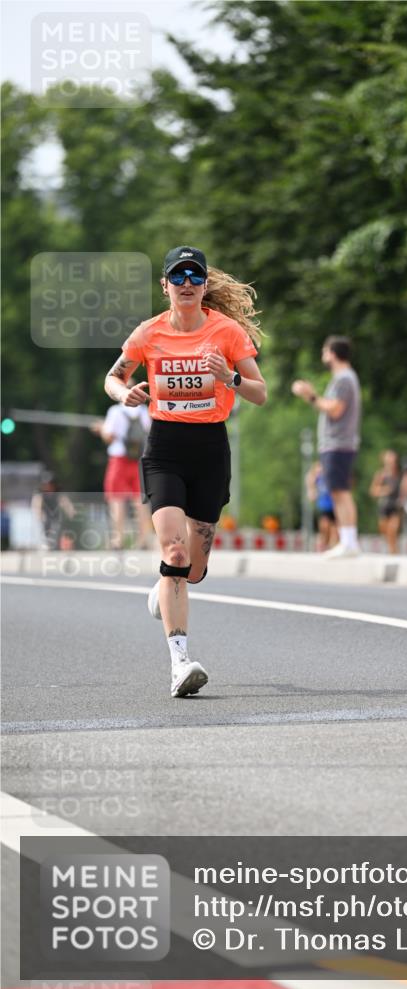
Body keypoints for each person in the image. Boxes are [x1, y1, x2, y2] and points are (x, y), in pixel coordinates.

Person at [103, 245, 267, 697]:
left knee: (193, 569)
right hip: (166, 449)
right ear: (165, 286)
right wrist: (124, 395)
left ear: (204, 285)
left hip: (211, 448)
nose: (188, 285)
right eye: (179, 278)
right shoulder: (149, 333)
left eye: (195, 277)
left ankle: (164, 590)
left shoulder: (226, 332)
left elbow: (259, 393)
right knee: (174, 554)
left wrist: (228, 378)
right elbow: (112, 376)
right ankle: (180, 663)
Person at [291, 336, 361, 557]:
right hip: (338, 443)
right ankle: (347, 541)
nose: (323, 355)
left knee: (340, 491)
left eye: (325, 351)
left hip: (339, 443)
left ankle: (349, 541)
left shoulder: (344, 379)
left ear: (332, 353)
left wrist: (310, 396)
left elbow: (335, 409)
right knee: (337, 491)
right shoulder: (343, 378)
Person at [91, 381, 153, 549]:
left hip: (119, 459)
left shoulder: (115, 411)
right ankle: (144, 539)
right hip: (139, 459)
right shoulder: (143, 411)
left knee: (116, 500)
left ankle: (118, 539)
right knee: (140, 502)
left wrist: (102, 429)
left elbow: (109, 437)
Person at [31, 472, 76, 550]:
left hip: (55, 516)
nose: (48, 487)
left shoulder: (58, 492)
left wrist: (71, 510)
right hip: (45, 515)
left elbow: (65, 502)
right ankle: (46, 544)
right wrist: (39, 514)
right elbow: (37, 504)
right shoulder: (39, 494)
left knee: (56, 527)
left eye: (50, 484)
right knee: (45, 528)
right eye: (46, 485)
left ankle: (53, 545)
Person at [369, 450, 402, 554]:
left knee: (393, 530)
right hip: (384, 506)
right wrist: (384, 490)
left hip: (395, 506)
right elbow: (373, 491)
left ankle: (394, 551)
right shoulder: (381, 475)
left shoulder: (398, 474)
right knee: (385, 531)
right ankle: (391, 549)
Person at [305, 460, 338, 551]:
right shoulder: (318, 475)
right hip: (324, 503)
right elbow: (310, 478)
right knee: (325, 525)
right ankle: (324, 543)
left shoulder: (333, 472)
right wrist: (311, 491)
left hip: (335, 503)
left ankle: (332, 545)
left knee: (335, 526)